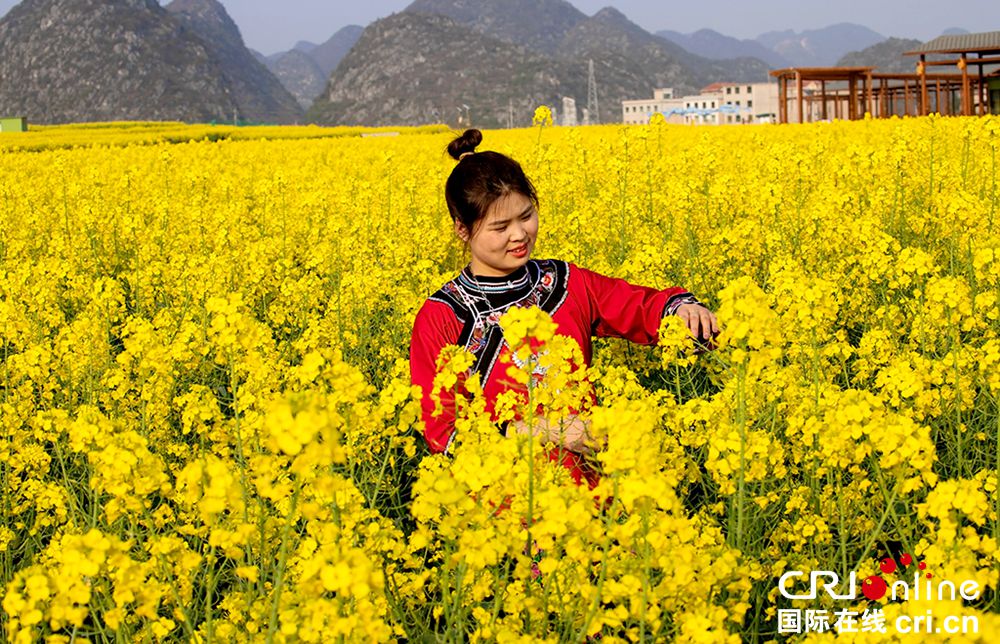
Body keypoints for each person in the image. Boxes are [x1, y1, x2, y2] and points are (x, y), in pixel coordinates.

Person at [409, 129, 719, 487]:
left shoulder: (565, 283)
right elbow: (445, 436)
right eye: (500, 226)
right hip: (501, 516)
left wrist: (680, 309)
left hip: (591, 499)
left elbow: (637, 305)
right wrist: (544, 430)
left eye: (526, 216)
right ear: (462, 230)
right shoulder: (443, 317)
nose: (519, 235)